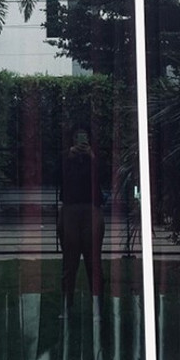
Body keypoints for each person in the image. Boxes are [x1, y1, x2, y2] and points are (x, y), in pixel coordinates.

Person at [58, 126, 104, 302]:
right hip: (72, 208)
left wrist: (92, 158)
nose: (81, 142)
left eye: (84, 138)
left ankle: (97, 302)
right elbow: (58, 177)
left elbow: (102, 177)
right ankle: (67, 301)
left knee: (93, 261)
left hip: (89, 208)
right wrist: (69, 157)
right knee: (70, 261)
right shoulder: (66, 157)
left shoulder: (94, 157)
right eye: (79, 138)